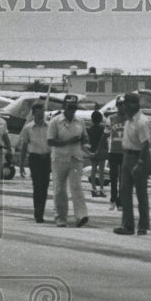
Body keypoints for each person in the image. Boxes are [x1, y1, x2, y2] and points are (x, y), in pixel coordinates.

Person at [48, 94, 90, 228]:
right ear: (64, 106)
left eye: (74, 107)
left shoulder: (80, 121)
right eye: (69, 107)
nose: (72, 110)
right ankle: (61, 217)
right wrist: (68, 142)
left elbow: (85, 137)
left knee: (76, 187)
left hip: (76, 158)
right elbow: (50, 141)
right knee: (60, 189)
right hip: (59, 159)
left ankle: (81, 216)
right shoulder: (55, 121)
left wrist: (85, 142)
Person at [114, 92, 151, 235]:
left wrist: (141, 163)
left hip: (138, 157)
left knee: (141, 193)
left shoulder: (142, 121)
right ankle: (128, 225)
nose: (122, 107)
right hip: (127, 156)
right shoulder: (128, 120)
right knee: (124, 191)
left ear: (133, 104)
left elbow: (145, 144)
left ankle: (143, 225)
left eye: (125, 104)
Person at [19, 100, 51, 222]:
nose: (40, 116)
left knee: (44, 186)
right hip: (35, 158)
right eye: (38, 113)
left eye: (42, 113)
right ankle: (38, 213)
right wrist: (22, 165)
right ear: (33, 114)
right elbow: (24, 147)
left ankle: (40, 210)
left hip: (46, 158)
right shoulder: (28, 128)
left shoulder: (49, 126)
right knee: (37, 186)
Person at [106, 96, 126, 211]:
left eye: (124, 104)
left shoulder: (130, 119)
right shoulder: (111, 118)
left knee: (123, 178)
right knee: (113, 176)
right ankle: (113, 199)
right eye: (120, 104)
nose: (122, 107)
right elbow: (106, 134)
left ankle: (121, 202)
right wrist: (100, 149)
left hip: (125, 152)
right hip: (113, 151)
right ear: (117, 106)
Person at [86, 109, 108, 197]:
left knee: (93, 170)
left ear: (92, 119)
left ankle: (93, 188)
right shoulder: (103, 129)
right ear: (101, 119)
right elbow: (105, 140)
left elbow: (88, 140)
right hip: (101, 151)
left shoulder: (89, 129)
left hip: (92, 151)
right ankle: (102, 189)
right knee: (102, 171)